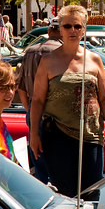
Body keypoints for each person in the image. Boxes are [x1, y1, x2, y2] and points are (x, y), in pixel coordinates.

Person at [29, 5, 105, 197]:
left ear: (84, 29)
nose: (72, 30)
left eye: (77, 26)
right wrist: (34, 134)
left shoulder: (94, 60)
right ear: (59, 29)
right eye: (67, 26)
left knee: (92, 192)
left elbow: (104, 97)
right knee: (67, 192)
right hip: (57, 136)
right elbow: (37, 100)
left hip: (91, 135)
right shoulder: (48, 61)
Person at [15, 17, 62, 182]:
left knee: (38, 159)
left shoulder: (30, 51)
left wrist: (29, 110)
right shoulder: (65, 52)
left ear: (49, 32)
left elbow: (20, 87)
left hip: (34, 111)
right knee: (59, 159)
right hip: (58, 115)